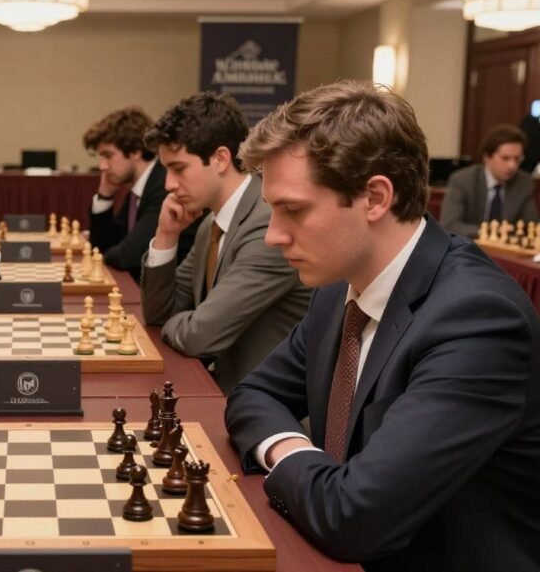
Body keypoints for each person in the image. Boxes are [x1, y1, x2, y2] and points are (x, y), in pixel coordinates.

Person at [225, 81, 540, 571]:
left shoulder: (477, 319)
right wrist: (294, 448)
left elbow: (356, 517)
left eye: (294, 209)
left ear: (374, 197)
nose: (273, 235)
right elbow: (252, 394)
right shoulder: (340, 289)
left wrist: (286, 463)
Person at [140, 93, 308, 392]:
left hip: (267, 404)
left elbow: (199, 337)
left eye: (178, 168)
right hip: (221, 388)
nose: (168, 185)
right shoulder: (212, 223)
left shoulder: (268, 224)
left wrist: (178, 323)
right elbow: (158, 312)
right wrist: (166, 236)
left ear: (220, 158)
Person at [84, 106, 198, 281]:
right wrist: (104, 195)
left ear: (135, 151)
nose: (102, 166)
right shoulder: (139, 188)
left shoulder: (163, 186)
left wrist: (102, 254)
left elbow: (127, 256)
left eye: (108, 155)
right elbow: (105, 244)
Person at [440, 124, 538, 237]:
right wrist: (491, 231)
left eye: (517, 158)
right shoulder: (462, 180)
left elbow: (531, 225)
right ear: (487, 157)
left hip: (506, 250)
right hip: (470, 246)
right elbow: (449, 224)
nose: (512, 166)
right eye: (505, 158)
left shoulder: (524, 182)